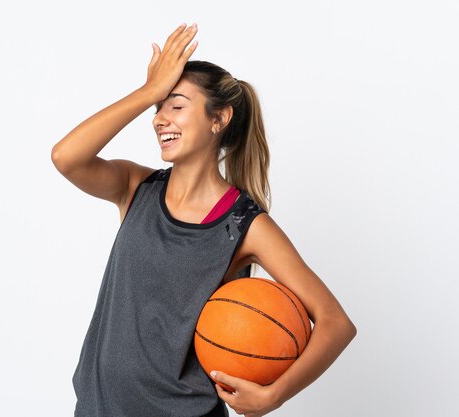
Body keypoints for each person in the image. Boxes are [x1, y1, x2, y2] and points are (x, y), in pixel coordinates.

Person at [51, 22, 357, 417]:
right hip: (98, 408)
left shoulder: (245, 225)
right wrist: (148, 92)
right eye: (158, 108)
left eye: (175, 105)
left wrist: (273, 396)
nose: (160, 118)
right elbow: (65, 157)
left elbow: (336, 322)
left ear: (219, 119)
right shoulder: (135, 187)